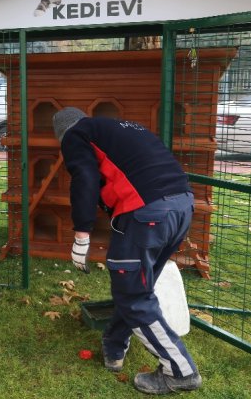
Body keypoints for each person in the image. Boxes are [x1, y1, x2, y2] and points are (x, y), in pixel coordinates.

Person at [52, 107, 202, 395]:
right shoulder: (123, 127)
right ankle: (114, 347)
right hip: (182, 205)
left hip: (147, 212)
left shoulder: (75, 134)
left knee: (133, 294)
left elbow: (85, 177)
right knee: (135, 286)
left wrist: (82, 233)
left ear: (62, 132)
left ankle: (181, 371)